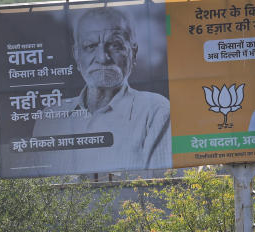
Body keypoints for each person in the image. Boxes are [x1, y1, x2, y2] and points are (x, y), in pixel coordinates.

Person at [26, 6, 171, 176]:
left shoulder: (155, 111)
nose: (103, 58)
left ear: (133, 52)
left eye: (115, 45)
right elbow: (41, 184)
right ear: (77, 54)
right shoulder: (49, 117)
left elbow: (158, 185)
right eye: (90, 46)